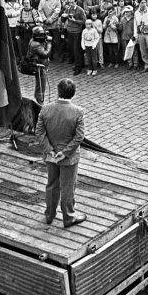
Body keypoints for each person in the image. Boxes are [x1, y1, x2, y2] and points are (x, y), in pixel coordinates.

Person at [36, 78, 87, 228]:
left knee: (52, 185)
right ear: (73, 93)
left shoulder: (46, 109)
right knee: (68, 187)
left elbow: (39, 131)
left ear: (58, 91)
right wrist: (65, 153)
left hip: (51, 155)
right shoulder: (77, 112)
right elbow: (79, 136)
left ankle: (49, 215)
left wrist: (50, 150)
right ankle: (69, 216)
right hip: (69, 158)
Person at [25, 26, 52, 103]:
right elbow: (46, 53)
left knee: (40, 84)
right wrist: (49, 43)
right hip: (39, 67)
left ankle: (39, 98)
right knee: (41, 84)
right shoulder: (35, 44)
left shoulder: (35, 40)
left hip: (40, 65)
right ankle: (40, 101)